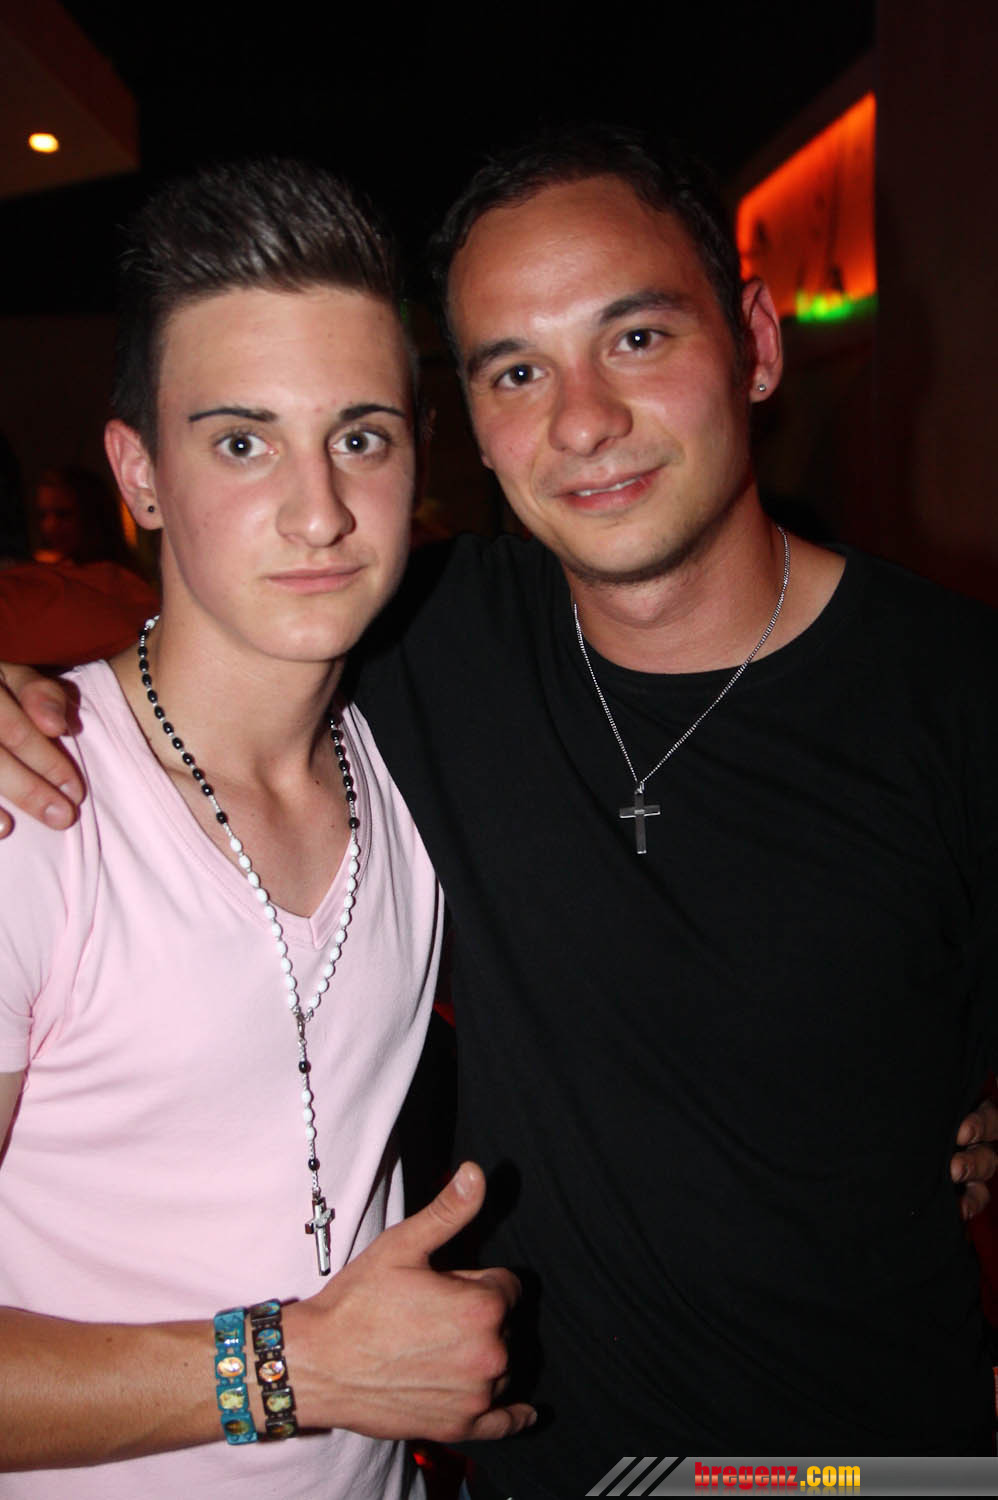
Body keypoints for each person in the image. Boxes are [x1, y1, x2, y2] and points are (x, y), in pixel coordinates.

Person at [2, 128, 998, 1496]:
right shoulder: (412, 652)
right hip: (549, 1470)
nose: (583, 422)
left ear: (756, 345)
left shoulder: (958, 696)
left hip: (872, 1473)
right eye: (516, 371)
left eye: (636, 338)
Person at [0, 158, 532, 1498]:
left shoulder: (417, 767)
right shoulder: (32, 813)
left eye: (361, 437)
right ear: (139, 472)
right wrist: (297, 1368)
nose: (319, 510)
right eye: (242, 441)